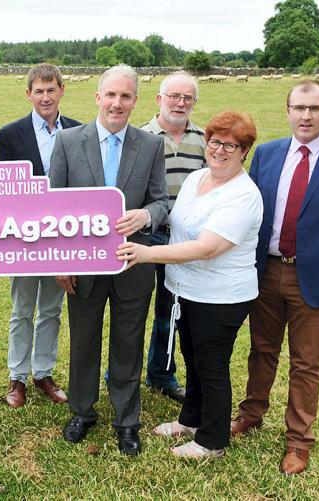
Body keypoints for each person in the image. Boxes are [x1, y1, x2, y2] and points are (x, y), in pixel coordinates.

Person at [230, 80, 319, 474]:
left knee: (306, 363)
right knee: (261, 350)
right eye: (300, 108)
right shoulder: (267, 154)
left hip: (317, 277)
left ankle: (299, 440)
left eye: (315, 108)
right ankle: (251, 413)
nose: (307, 116)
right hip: (267, 272)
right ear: (288, 110)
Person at [118, 111, 263, 458]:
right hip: (185, 290)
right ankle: (191, 420)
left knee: (211, 366)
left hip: (221, 296)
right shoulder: (197, 178)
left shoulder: (243, 195)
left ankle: (212, 441)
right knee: (193, 359)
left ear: (245, 151)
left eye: (231, 145)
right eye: (215, 142)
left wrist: (146, 253)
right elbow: (176, 221)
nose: (220, 150)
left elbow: (208, 247)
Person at [49, 64, 168, 455]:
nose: (117, 103)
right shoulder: (68, 141)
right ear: (98, 96)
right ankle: (82, 411)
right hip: (82, 264)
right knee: (83, 339)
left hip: (132, 264)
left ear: (135, 101)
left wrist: (146, 216)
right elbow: (54, 207)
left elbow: (161, 201)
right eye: (111, 95)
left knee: (128, 343)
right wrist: (61, 262)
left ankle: (127, 420)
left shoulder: (150, 145)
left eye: (126, 96)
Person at [0, 63, 81, 408]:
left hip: (62, 234)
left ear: (62, 90)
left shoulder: (79, 131)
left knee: (51, 309)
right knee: (22, 308)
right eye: (39, 91)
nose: (45, 97)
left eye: (51, 90)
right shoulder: (9, 135)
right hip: (24, 237)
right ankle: (17, 376)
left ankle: (43, 372)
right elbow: (3, 192)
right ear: (28, 94)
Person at [140, 71, 207, 404]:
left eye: (187, 98)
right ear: (159, 99)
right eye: (174, 96)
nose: (180, 103)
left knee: (170, 308)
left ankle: (161, 374)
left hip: (184, 239)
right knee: (133, 307)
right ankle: (121, 372)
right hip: (145, 235)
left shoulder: (205, 140)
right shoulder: (140, 137)